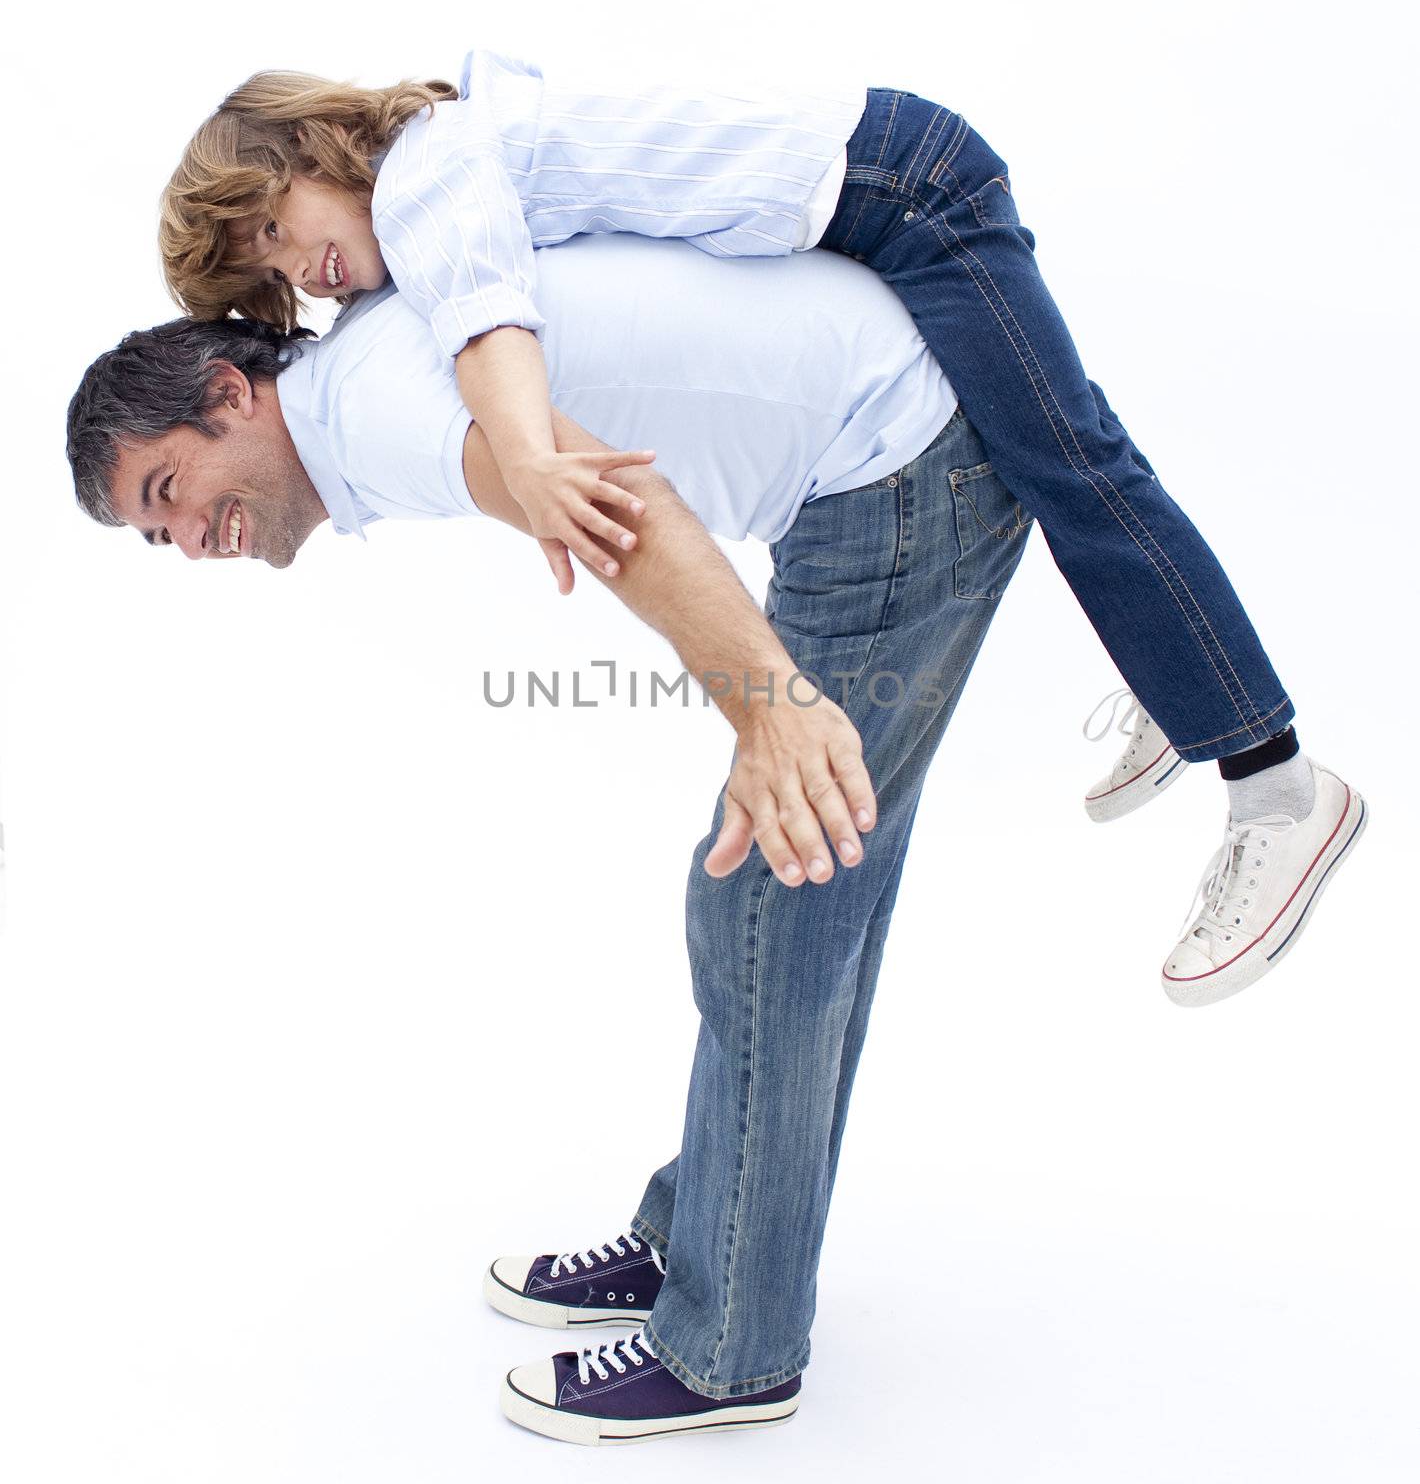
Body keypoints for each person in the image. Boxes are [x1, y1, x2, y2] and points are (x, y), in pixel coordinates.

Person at [67, 235, 1366, 1444]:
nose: (186, 540)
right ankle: (706, 1243)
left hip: (896, 465)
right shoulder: (356, 394)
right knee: (788, 900)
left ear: (234, 393)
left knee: (769, 899)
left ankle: (731, 1344)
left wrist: (772, 715)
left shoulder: (371, 414)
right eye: (156, 534)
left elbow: (627, 526)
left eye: (169, 491)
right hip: (882, 458)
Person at [156, 52, 1366, 992]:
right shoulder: (436, 180)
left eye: (269, 226)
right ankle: (1177, 673)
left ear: (311, 145)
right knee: (1057, 458)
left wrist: (529, 465)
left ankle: (1277, 786)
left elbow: (489, 319)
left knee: (1074, 462)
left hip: (909, 183)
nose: (295, 274)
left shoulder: (424, 168)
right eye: (260, 274)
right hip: (881, 195)